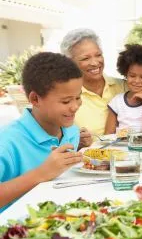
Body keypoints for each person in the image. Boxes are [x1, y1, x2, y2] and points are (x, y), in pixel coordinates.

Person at [0, 52, 83, 211]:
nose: (75, 106)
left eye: (78, 97)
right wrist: (41, 174)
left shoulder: (72, 131)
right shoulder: (7, 142)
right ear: (35, 99)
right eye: (66, 101)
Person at [60, 28, 125, 138]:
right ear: (69, 63)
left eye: (98, 55)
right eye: (85, 58)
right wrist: (77, 142)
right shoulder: (64, 97)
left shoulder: (124, 86)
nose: (95, 63)